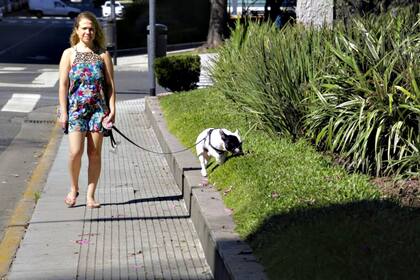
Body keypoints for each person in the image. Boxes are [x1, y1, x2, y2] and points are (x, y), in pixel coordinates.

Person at [58, 11, 116, 209]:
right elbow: (63, 85)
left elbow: (110, 86)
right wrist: (63, 112)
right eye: (84, 28)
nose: (88, 32)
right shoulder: (69, 54)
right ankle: (74, 188)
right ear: (77, 30)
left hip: (98, 110)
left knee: (94, 153)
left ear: (96, 31)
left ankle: (91, 195)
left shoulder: (103, 54)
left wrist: (112, 109)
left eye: (91, 28)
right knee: (75, 152)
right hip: (76, 109)